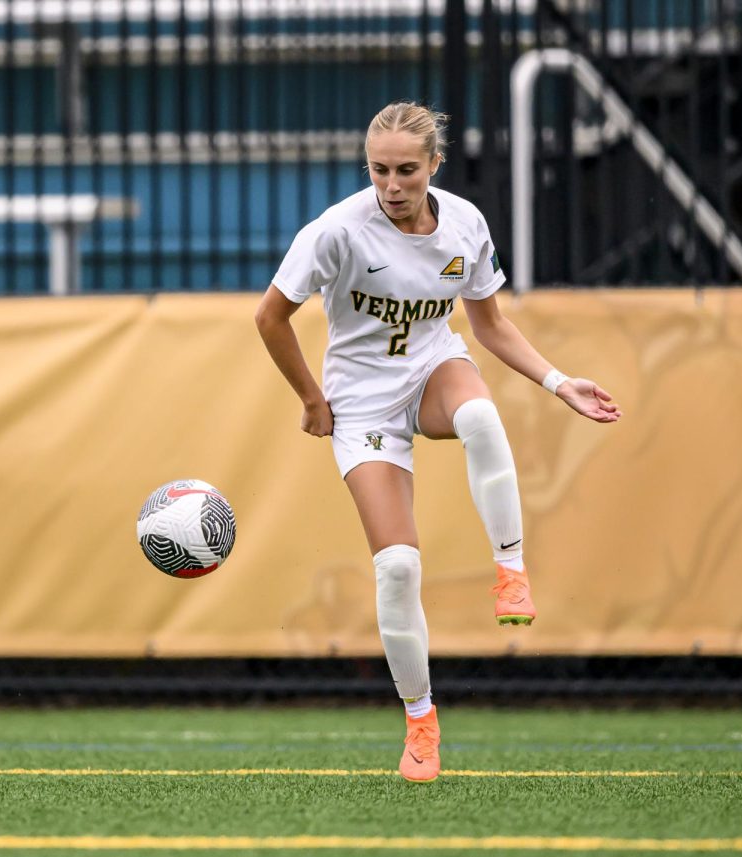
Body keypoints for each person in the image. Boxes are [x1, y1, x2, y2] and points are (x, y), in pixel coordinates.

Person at [254, 101, 621, 784]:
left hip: (431, 371)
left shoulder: (464, 224)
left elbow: (490, 326)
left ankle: (510, 569)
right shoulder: (336, 231)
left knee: (482, 418)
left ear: (434, 166)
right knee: (397, 567)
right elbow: (269, 317)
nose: (391, 185)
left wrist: (560, 382)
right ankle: (421, 720)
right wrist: (310, 396)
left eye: (406, 171)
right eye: (379, 170)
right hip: (362, 401)